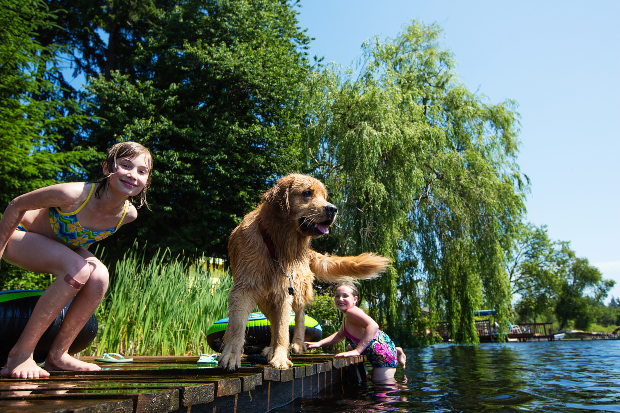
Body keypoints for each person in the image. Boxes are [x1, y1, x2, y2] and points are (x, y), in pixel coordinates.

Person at [0, 142, 152, 379]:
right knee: (78, 268)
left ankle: (58, 356)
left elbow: (82, 237)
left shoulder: (127, 215)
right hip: (20, 234)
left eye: (142, 171)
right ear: (107, 169)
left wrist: (71, 279)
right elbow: (17, 204)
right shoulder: (73, 194)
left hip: (55, 245)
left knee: (100, 276)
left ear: (147, 180)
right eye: (125, 166)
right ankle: (19, 355)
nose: (133, 175)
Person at [305, 282, 406, 382]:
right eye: (337, 296)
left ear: (355, 299)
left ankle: (396, 358)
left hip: (383, 355)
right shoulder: (347, 315)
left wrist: (357, 351)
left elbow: (373, 325)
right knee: (349, 347)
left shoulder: (351, 312)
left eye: (345, 296)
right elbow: (340, 336)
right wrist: (319, 343)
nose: (340, 299)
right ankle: (396, 350)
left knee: (383, 388)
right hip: (374, 348)